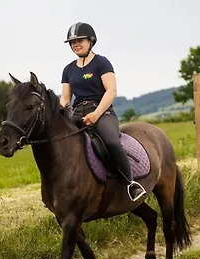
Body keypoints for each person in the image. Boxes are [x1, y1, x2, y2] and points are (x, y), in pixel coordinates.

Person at [59, 22, 147, 202]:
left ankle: (130, 184)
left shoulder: (101, 62)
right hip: (78, 113)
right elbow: (66, 98)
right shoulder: (68, 70)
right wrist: (60, 114)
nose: (75, 44)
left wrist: (96, 114)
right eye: (72, 42)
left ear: (91, 41)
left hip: (102, 111)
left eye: (79, 40)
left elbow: (111, 91)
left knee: (111, 142)